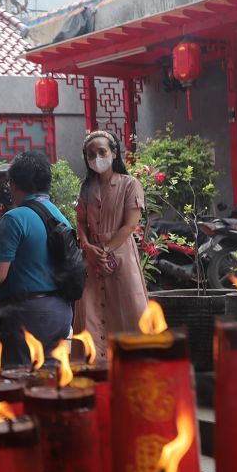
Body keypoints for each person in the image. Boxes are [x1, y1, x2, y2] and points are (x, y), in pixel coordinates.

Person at [0, 150, 73, 367]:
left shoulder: (14, 218)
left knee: (16, 385)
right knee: (49, 383)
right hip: (60, 313)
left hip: (26, 315)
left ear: (12, 184)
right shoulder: (59, 216)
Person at [73, 130, 148, 365]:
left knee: (128, 308)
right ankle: (95, 368)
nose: (97, 157)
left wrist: (104, 251)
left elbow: (129, 226)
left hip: (120, 253)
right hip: (91, 256)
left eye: (102, 151)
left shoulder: (130, 185)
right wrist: (87, 246)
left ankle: (134, 366)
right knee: (91, 312)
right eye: (91, 154)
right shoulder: (86, 188)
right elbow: (81, 223)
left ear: (114, 153)